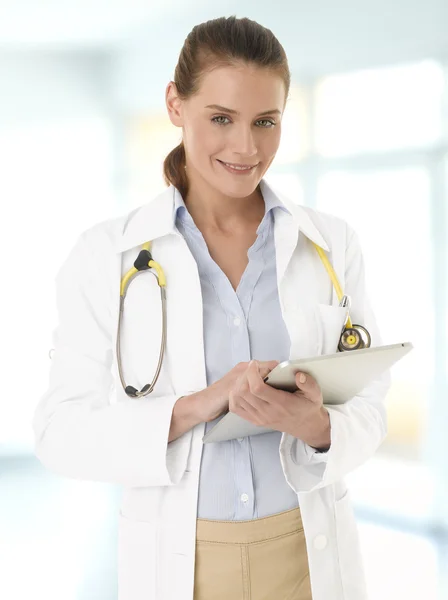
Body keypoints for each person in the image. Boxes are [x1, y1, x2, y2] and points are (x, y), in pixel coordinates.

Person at [32, 15, 391, 600]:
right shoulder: (108, 255)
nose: (246, 148)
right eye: (221, 118)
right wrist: (199, 405)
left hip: (310, 554)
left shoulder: (330, 244)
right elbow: (58, 431)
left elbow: (370, 400)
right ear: (175, 104)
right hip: (181, 562)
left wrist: (321, 429)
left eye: (265, 122)